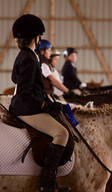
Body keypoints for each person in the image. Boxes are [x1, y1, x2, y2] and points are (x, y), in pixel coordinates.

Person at [10, 14, 70, 192]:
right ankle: (46, 183)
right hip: (25, 108)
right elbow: (26, 93)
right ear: (36, 38)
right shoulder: (30, 58)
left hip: (22, 104)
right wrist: (46, 105)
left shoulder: (24, 55)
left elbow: (14, 78)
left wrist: (46, 100)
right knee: (62, 134)